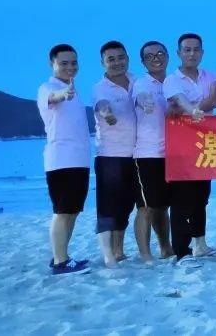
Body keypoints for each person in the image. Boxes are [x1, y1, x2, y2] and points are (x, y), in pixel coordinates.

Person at [163, 33, 216, 269]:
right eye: (187, 50)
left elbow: (215, 99)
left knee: (201, 196)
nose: (191, 54)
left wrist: (194, 109)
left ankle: (200, 243)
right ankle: (181, 250)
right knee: (181, 200)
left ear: (202, 53)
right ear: (179, 53)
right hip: (181, 146)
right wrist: (191, 109)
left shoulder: (210, 76)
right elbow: (178, 101)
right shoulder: (172, 79)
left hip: (205, 143)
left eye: (196, 49)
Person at [37, 44, 92, 275]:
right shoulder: (48, 87)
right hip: (61, 160)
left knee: (72, 211)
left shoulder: (74, 91)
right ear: (52, 64)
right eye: (64, 63)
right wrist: (63, 94)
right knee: (62, 211)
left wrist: (69, 92)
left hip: (80, 160)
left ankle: (62, 255)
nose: (70, 67)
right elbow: (53, 98)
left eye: (74, 62)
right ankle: (60, 261)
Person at [91, 41, 139, 268]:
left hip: (136, 154)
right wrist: (107, 113)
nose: (117, 62)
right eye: (111, 59)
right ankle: (108, 255)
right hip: (110, 156)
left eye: (121, 57)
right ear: (103, 63)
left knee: (126, 205)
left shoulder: (137, 81)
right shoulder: (100, 88)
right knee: (107, 207)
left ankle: (119, 251)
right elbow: (101, 104)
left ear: (127, 58)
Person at [131, 40, 175, 263]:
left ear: (167, 56)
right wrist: (145, 102)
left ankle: (166, 248)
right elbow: (141, 97)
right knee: (146, 207)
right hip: (147, 154)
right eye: (149, 56)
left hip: (172, 153)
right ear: (143, 62)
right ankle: (145, 254)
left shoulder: (173, 82)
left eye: (160, 54)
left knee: (162, 206)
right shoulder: (141, 84)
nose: (156, 58)